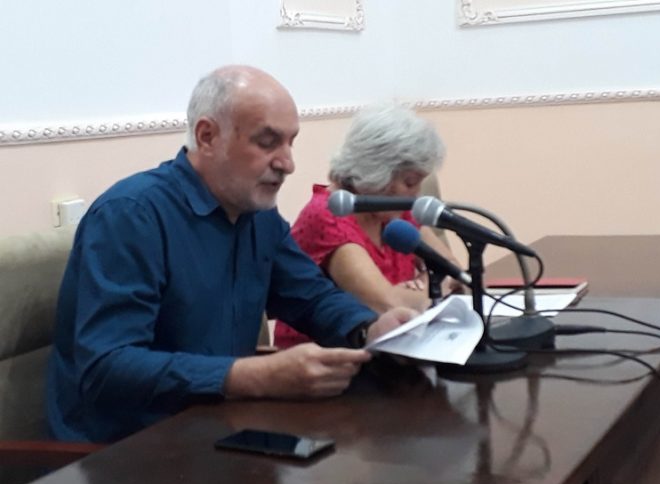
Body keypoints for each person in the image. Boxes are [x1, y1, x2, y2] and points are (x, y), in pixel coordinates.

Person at [46, 65, 415, 443]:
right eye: (268, 142)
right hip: (129, 449)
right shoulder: (131, 216)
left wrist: (368, 327)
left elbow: (311, 296)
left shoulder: (258, 215)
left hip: (220, 426)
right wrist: (254, 376)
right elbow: (107, 367)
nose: (287, 163)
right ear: (207, 136)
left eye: (291, 143)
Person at [274, 104, 462, 349]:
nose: (417, 194)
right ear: (375, 173)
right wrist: (434, 285)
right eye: (410, 182)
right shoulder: (328, 215)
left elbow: (454, 271)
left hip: (399, 348)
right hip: (327, 359)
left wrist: (426, 284)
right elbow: (388, 305)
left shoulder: (394, 211)